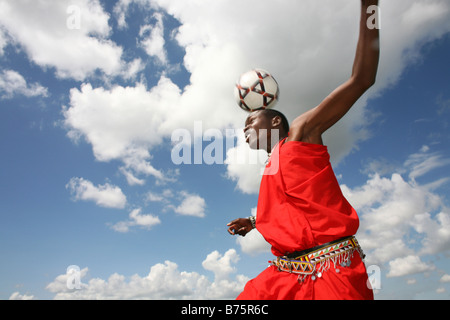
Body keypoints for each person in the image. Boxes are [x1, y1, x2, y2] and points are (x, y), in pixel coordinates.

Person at [227, 0, 379, 300]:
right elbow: (293, 209)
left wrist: (370, 9)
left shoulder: (301, 134)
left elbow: (362, 79)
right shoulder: (270, 167)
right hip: (288, 272)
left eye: (250, 121)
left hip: (332, 269)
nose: (244, 129)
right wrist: (256, 222)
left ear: (274, 119)